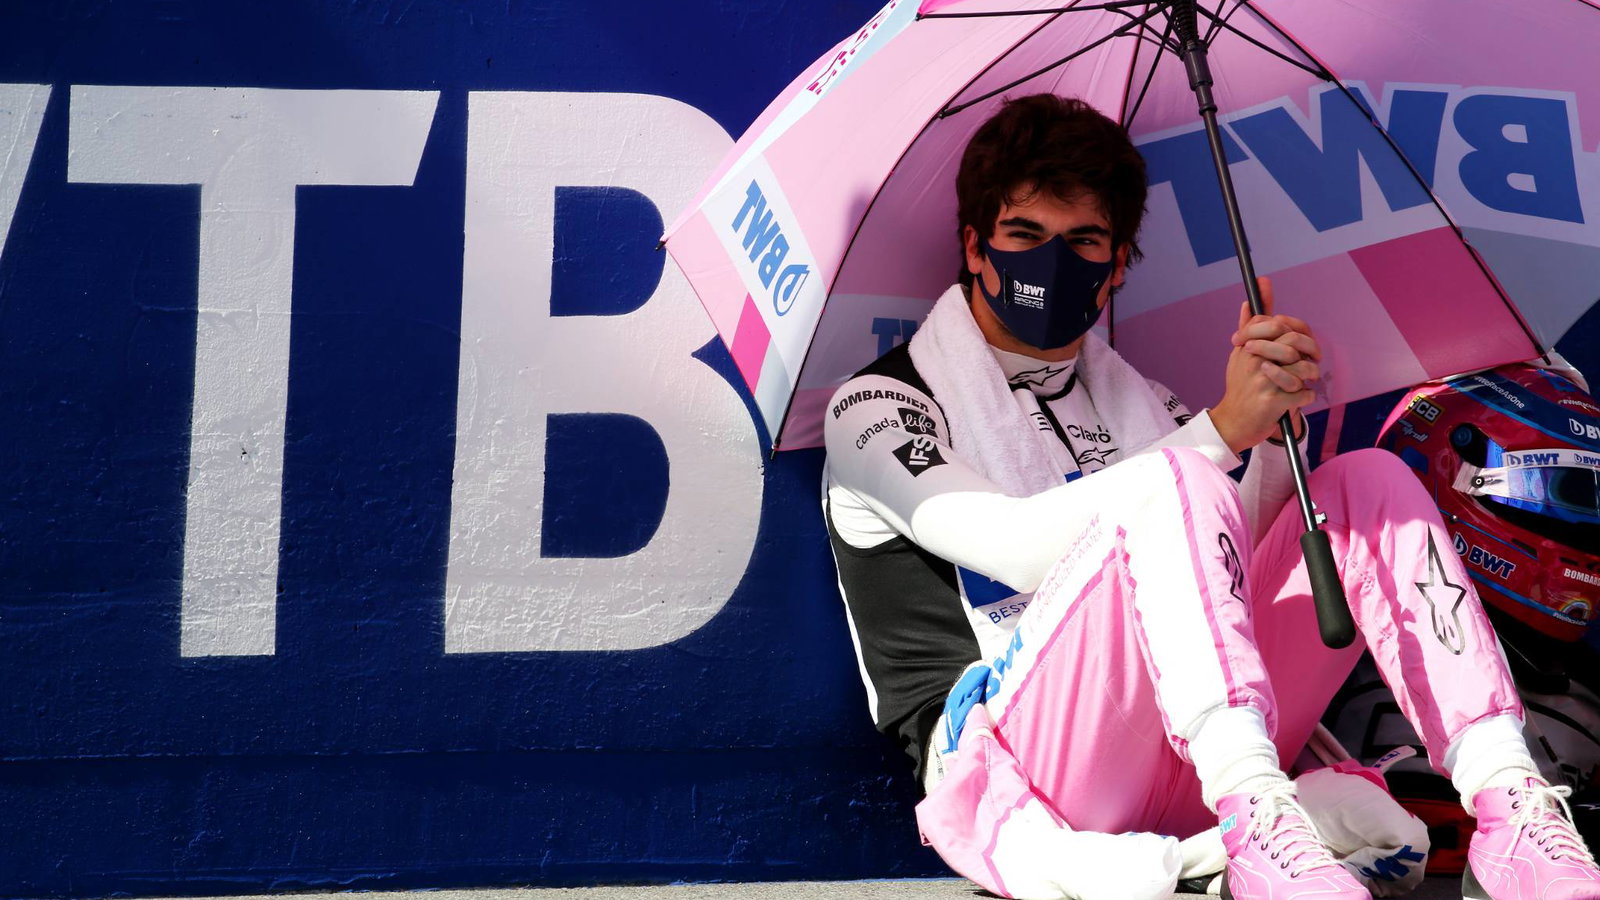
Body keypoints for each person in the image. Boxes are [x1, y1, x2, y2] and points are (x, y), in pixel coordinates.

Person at [821, 93, 1600, 900]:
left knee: (1366, 483)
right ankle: (1255, 816)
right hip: (1020, 767)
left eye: (1083, 240)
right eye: (1025, 236)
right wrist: (1222, 429)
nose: (1051, 263)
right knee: (1179, 479)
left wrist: (1272, 432)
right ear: (975, 248)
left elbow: (1228, 558)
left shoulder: (1143, 404)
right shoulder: (876, 405)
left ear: (1118, 264)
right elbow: (1013, 547)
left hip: (1177, 751)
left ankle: (1511, 807)